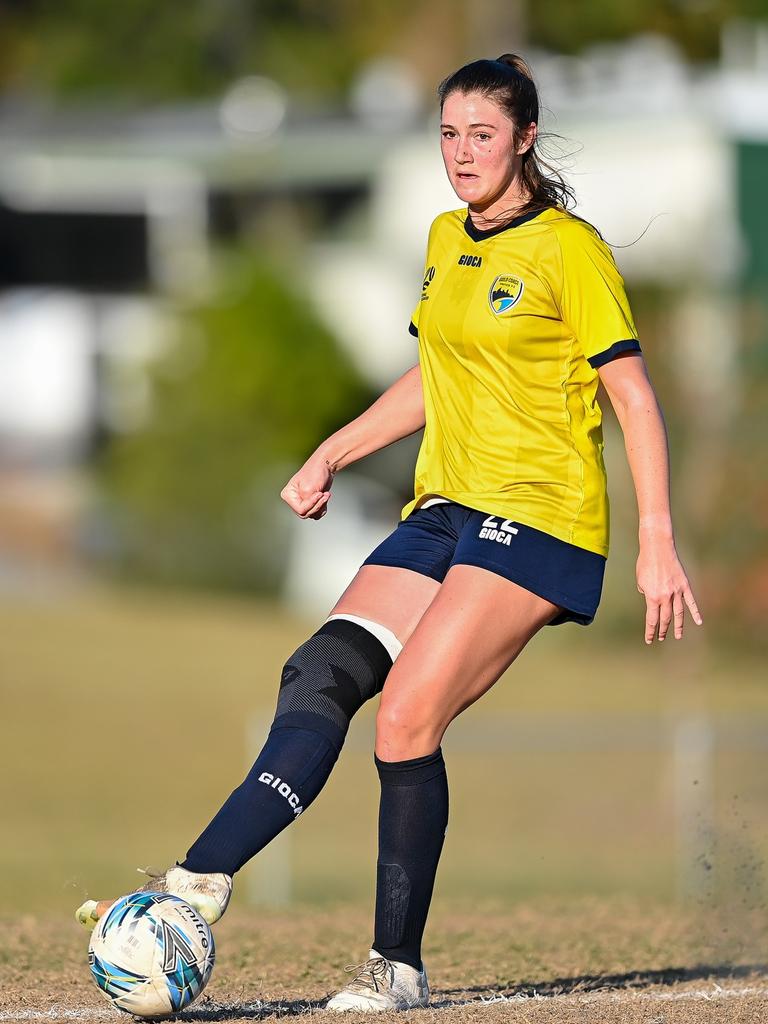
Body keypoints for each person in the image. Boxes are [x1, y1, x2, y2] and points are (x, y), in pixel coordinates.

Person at [76, 54, 703, 1012]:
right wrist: (332, 450)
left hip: (540, 518)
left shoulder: (570, 249)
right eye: (448, 134)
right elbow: (434, 379)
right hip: (445, 507)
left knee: (407, 716)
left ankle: (395, 967)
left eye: (482, 135)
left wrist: (656, 537)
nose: (461, 154)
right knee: (319, 672)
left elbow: (634, 398)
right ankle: (198, 883)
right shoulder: (446, 236)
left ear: (526, 136)